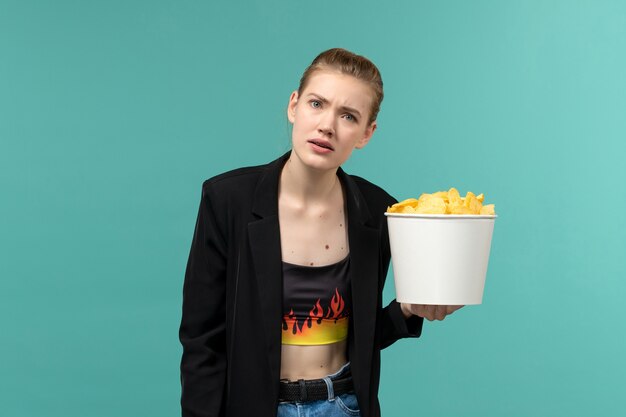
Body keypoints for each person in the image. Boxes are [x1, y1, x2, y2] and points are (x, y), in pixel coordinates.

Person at [179, 48, 463, 417]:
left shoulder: (379, 212)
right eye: (317, 104)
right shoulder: (226, 200)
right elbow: (202, 342)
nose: (328, 125)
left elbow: (360, 337)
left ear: (366, 133)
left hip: (344, 406)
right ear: (294, 106)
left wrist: (408, 311)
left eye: (348, 116)